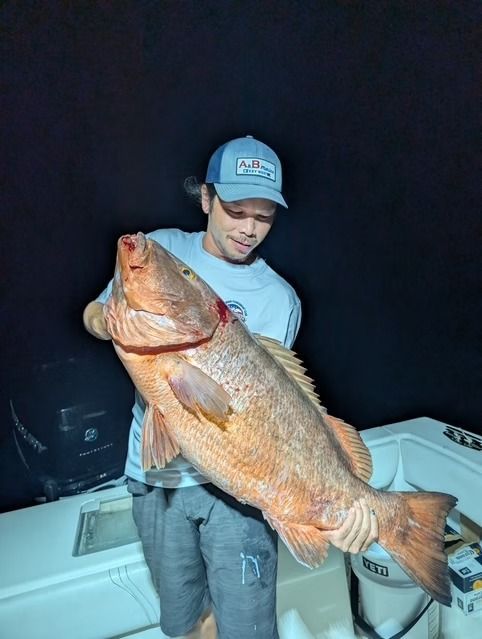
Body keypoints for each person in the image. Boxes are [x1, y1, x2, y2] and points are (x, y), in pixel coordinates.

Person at [83, 135, 378, 639]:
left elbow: (281, 409)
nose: (248, 229)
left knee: (246, 625)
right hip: (156, 481)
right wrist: (112, 324)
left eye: (262, 217)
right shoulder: (161, 251)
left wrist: (342, 504)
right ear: (206, 199)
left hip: (241, 490)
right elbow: (94, 311)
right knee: (185, 620)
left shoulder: (280, 298)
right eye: (236, 210)